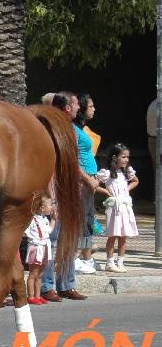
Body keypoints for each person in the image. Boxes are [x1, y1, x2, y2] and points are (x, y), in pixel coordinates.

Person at [41, 91, 88, 301]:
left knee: (69, 238)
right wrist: (50, 195)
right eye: (77, 104)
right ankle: (46, 285)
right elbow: (50, 163)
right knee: (51, 239)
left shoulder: (73, 129)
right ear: (67, 107)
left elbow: (73, 161)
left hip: (71, 190)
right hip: (57, 189)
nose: (79, 107)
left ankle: (67, 284)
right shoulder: (51, 127)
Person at [97, 143, 139, 273]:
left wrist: (127, 189)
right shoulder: (107, 173)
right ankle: (110, 262)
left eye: (127, 157)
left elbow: (135, 181)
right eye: (123, 157)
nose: (126, 160)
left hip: (125, 207)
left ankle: (120, 261)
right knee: (113, 235)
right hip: (114, 207)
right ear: (115, 157)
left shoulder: (127, 172)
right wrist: (106, 192)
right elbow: (94, 184)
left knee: (123, 236)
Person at [72, 93, 102, 275]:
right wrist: (87, 178)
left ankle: (85, 256)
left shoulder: (82, 129)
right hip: (82, 181)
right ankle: (75, 257)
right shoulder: (74, 130)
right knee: (82, 219)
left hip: (90, 179)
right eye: (91, 106)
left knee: (88, 220)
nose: (94, 109)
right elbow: (72, 159)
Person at [24, 196, 55, 305]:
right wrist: (32, 238)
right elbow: (25, 231)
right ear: (42, 208)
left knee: (40, 274)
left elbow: (49, 230)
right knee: (33, 273)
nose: (51, 207)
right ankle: (31, 296)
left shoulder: (45, 220)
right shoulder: (32, 219)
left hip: (45, 247)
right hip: (36, 247)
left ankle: (38, 295)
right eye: (50, 205)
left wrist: (54, 220)